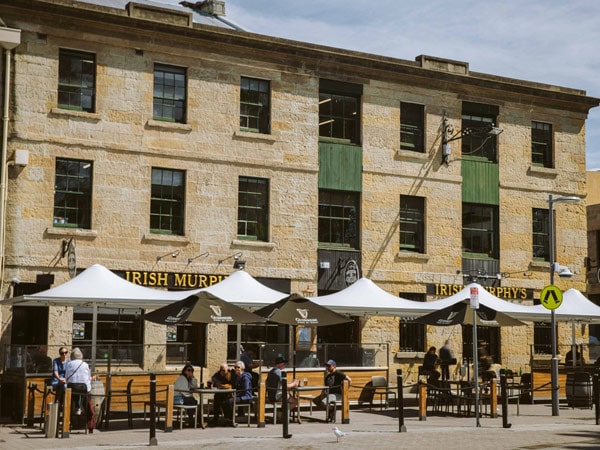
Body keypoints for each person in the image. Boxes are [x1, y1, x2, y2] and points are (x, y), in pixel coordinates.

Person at [64, 347, 94, 433]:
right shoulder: (85, 365)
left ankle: (67, 423)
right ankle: (90, 426)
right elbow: (88, 378)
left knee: (68, 404)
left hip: (72, 390)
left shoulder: (69, 364)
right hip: (84, 389)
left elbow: (66, 377)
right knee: (89, 406)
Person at [222, 361, 253, 426]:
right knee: (224, 401)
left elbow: (245, 390)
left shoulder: (245, 377)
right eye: (235, 367)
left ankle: (232, 420)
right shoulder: (237, 377)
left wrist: (236, 396)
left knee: (230, 401)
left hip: (246, 397)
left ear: (242, 368)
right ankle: (228, 419)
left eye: (238, 367)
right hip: (239, 396)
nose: (236, 369)